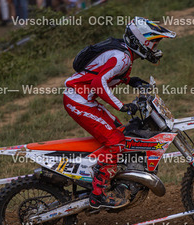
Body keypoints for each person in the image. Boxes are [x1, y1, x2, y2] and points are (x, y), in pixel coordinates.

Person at [62, 17, 176, 209]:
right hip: (79, 100)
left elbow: (104, 73)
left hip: (84, 99)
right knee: (116, 142)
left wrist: (131, 81)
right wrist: (122, 106)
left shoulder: (124, 53)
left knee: (120, 133)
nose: (156, 48)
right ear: (142, 41)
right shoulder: (123, 57)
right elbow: (99, 83)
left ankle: (107, 172)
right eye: (154, 43)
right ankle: (98, 194)